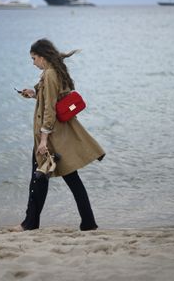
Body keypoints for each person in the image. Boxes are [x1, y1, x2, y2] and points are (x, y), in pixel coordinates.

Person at [13, 38, 105, 231]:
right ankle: (88, 222)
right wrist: (34, 93)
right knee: (64, 179)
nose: (33, 63)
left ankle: (30, 224)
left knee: (39, 178)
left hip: (51, 138)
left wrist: (44, 140)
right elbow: (53, 99)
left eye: (34, 58)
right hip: (60, 136)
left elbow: (49, 110)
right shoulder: (55, 72)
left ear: (43, 57)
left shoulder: (49, 75)